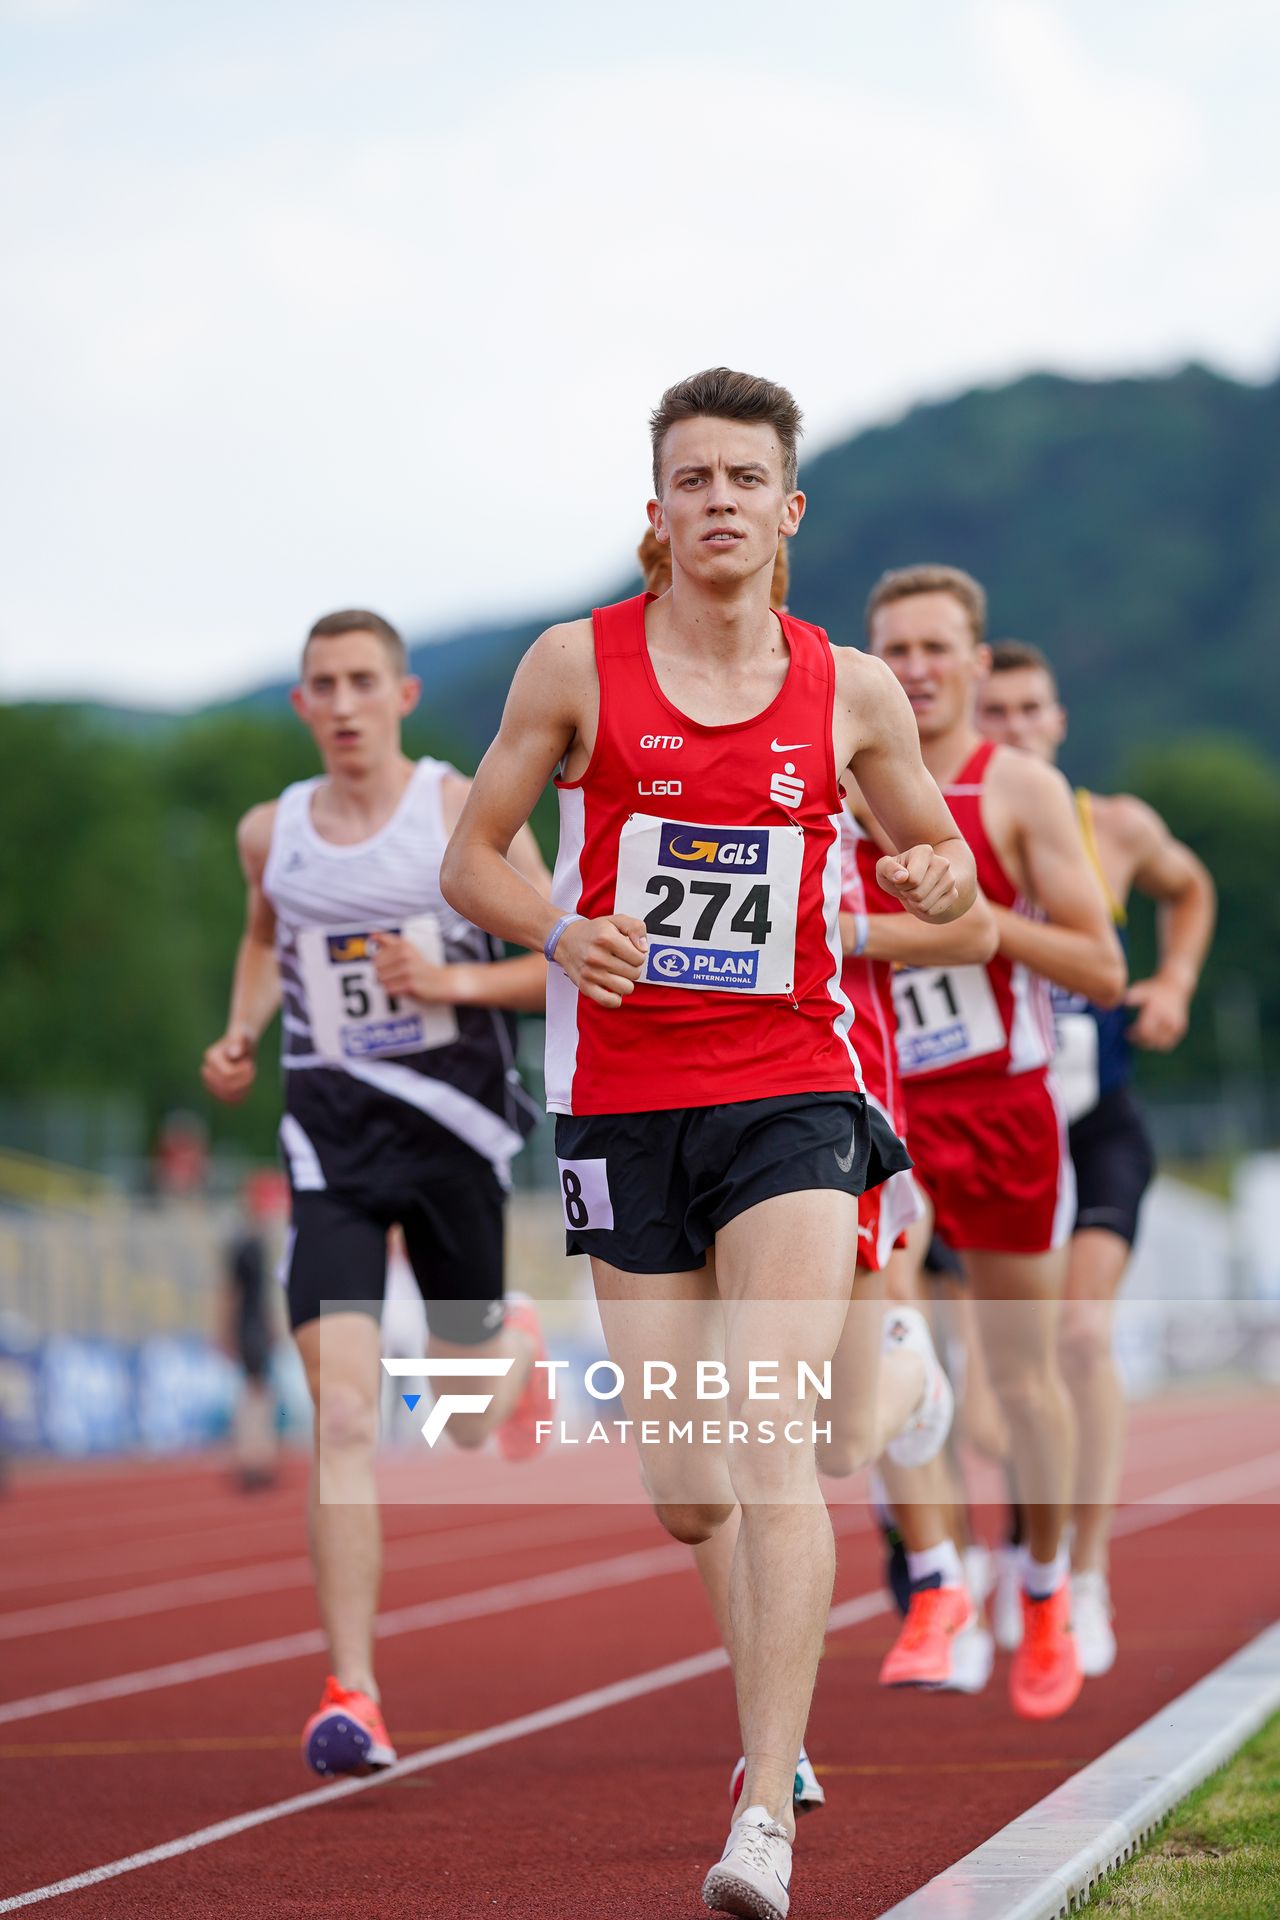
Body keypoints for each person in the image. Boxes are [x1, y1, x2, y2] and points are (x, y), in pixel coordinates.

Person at [441, 367, 979, 1920]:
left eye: (749, 477)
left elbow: (921, 831)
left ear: (787, 508)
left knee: (766, 1436)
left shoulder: (852, 688)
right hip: (626, 1100)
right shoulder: (577, 666)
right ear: (659, 510)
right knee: (689, 1492)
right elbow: (475, 857)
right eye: (696, 479)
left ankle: (767, 1814)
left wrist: (937, 874)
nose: (723, 500)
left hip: (796, 1087)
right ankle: (892, 1361)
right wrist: (561, 923)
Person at [201, 608, 552, 1777]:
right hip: (331, 1145)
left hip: (452, 1135)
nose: (343, 703)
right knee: (343, 1416)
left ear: (402, 697)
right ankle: (350, 1690)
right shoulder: (272, 832)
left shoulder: (458, 809)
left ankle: (513, 1342)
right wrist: (242, 1028)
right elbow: (263, 937)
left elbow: (560, 960)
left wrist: (448, 974)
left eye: (363, 681)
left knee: (459, 1422)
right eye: (321, 685)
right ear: (300, 705)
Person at [863, 564, 1127, 1722]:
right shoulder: (830, 783)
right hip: (882, 1112)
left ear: (976, 662)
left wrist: (971, 926)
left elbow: (1103, 969)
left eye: (934, 649)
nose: (914, 671)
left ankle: (1048, 1584)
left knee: (1022, 1383)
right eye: (893, 651)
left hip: (1005, 1109)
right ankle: (936, 1585)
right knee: (889, 1345)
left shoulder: (1017, 789)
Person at [976, 638, 1216, 1673]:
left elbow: (1191, 886)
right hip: (987, 1131)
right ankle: (1008, 1552)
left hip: (1096, 1125)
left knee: (1078, 1341)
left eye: (1031, 710)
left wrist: (1172, 984)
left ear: (1058, 721)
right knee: (994, 1389)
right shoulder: (944, 839)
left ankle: (1083, 1572)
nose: (1016, 729)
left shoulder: (1111, 830)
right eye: (995, 713)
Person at [220, 1169, 289, 1490]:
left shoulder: (251, 1244)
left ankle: (255, 1455)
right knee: (256, 1393)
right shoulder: (250, 1246)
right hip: (251, 1326)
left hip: (253, 1324)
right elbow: (231, 1293)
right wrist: (226, 1329)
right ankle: (253, 1457)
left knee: (256, 1392)